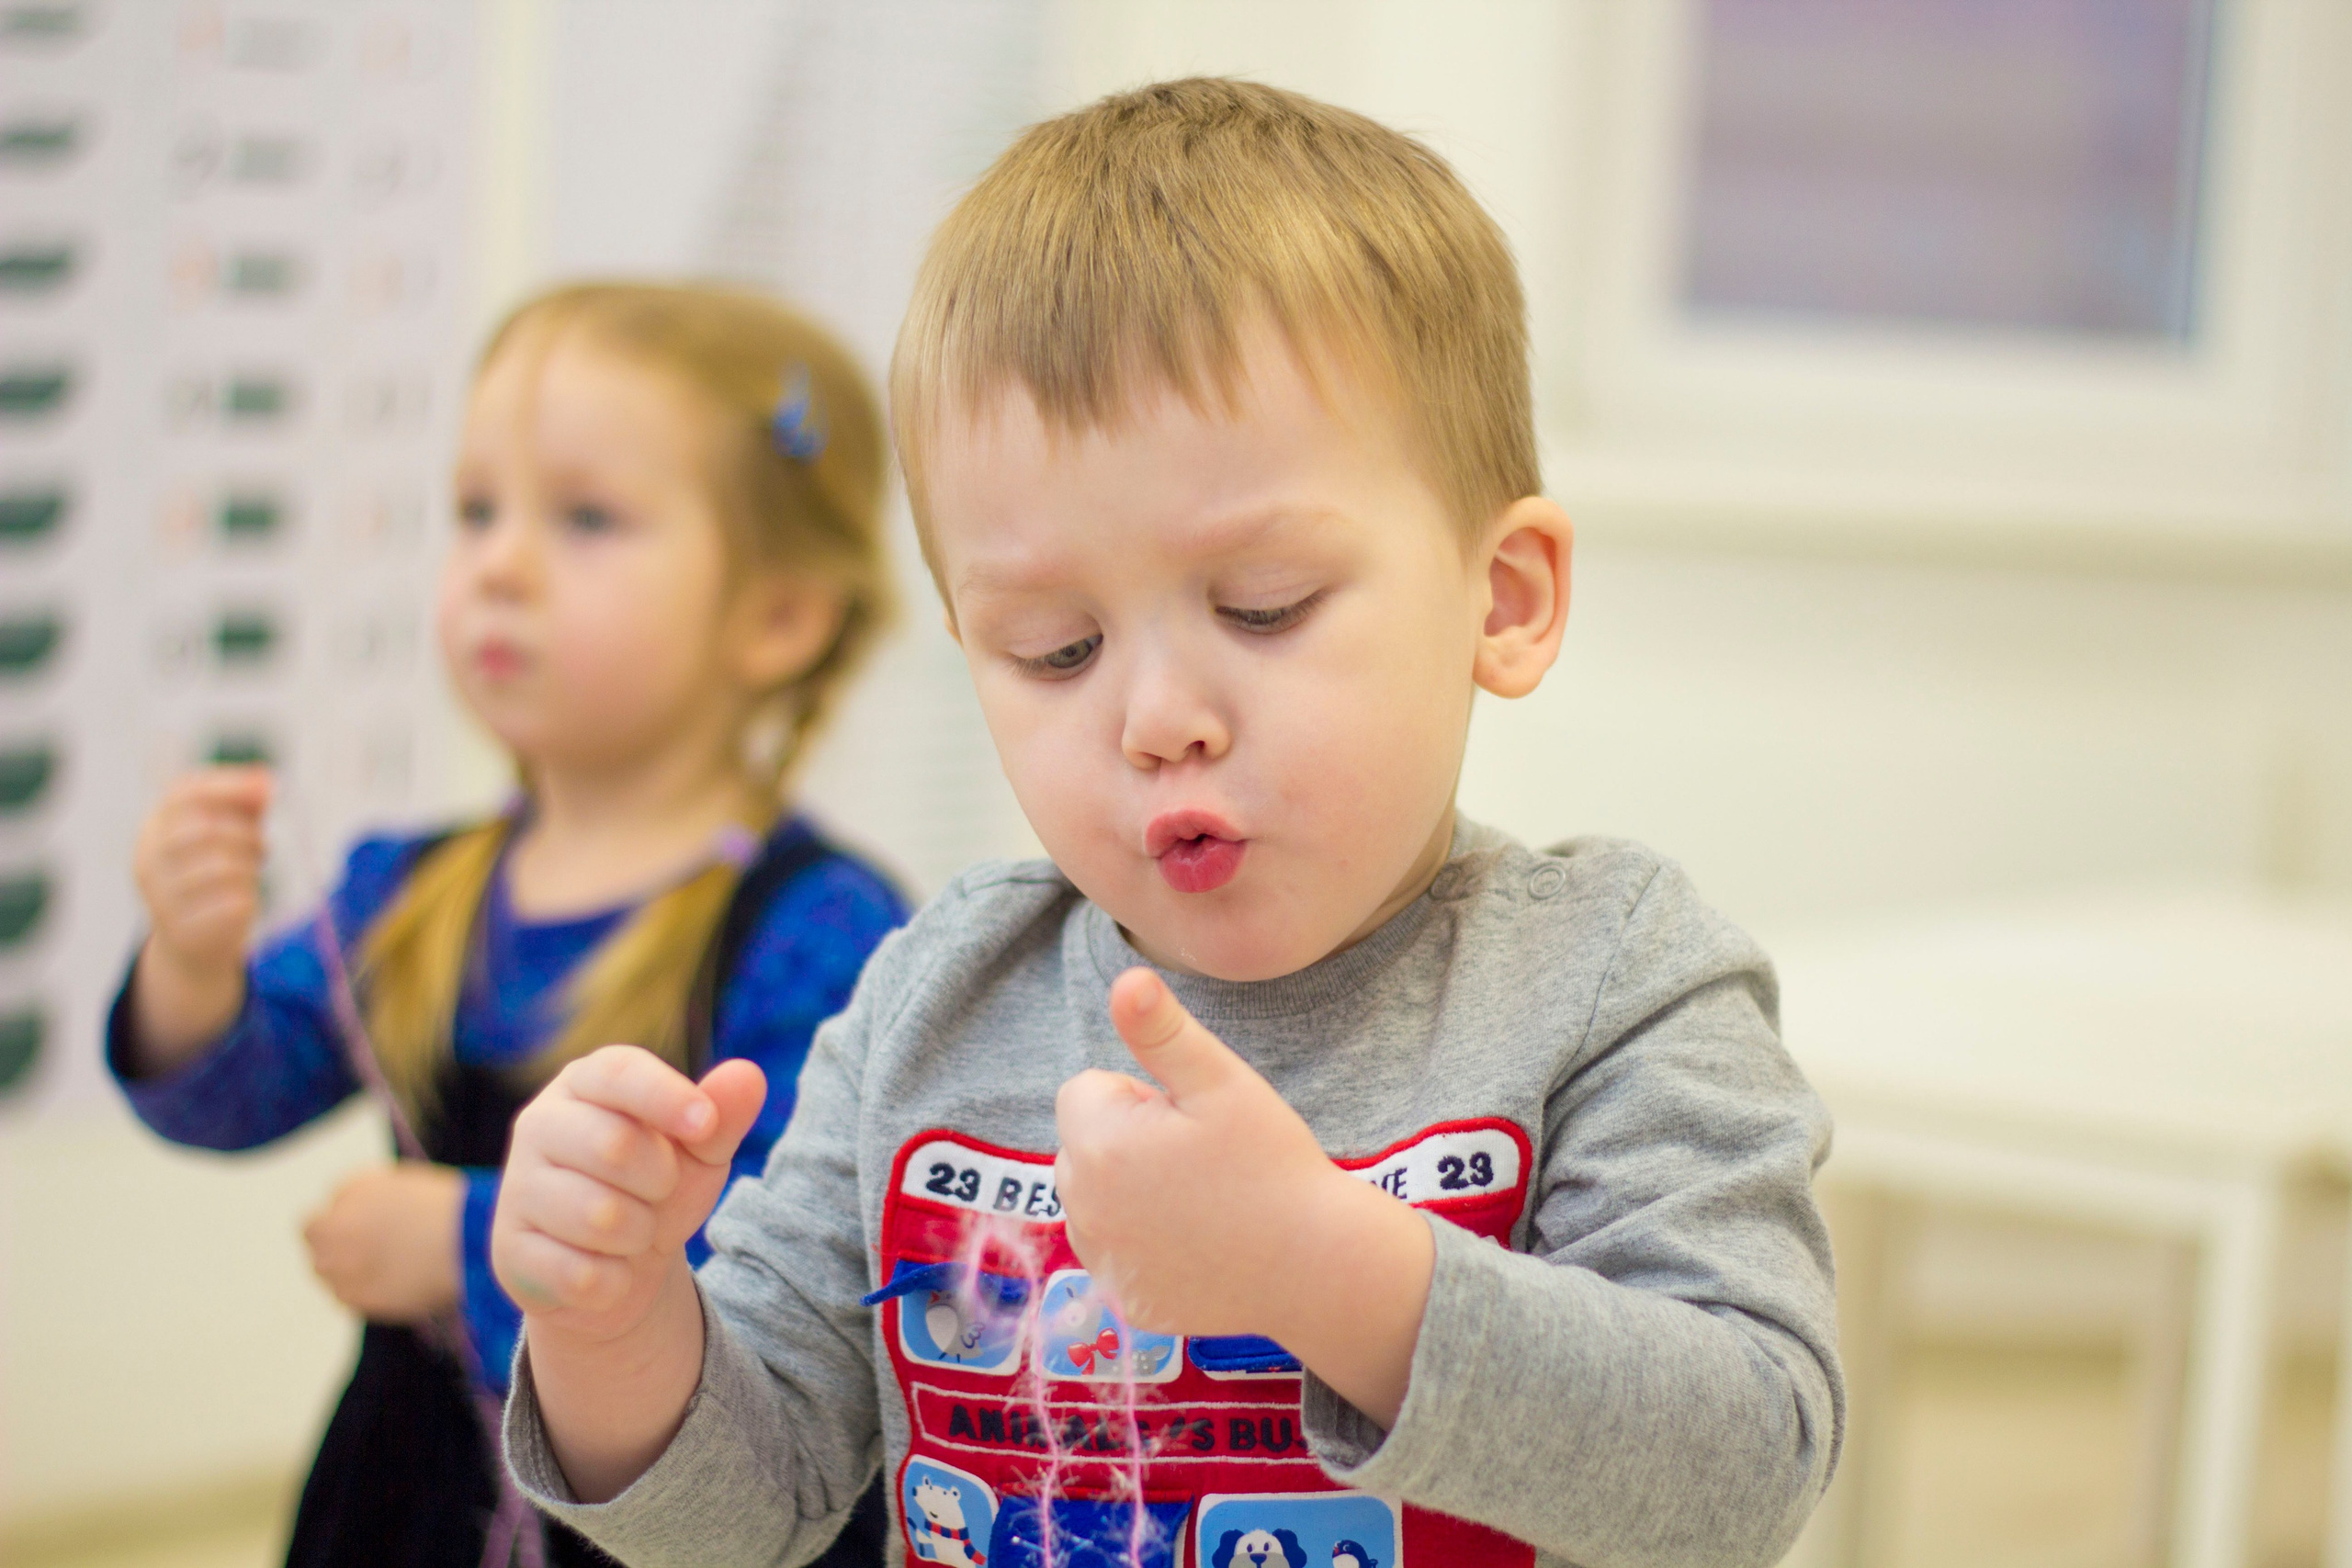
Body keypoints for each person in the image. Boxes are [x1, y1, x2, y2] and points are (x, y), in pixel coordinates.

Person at [492, 81, 1843, 1568]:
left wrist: (1321, 1266)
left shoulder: (1608, 980)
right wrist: (613, 1319)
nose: (1153, 718)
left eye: (1262, 609)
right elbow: (740, 1515)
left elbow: (1748, 1466)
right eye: (1055, 650)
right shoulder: (940, 997)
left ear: (1502, 600)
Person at [110, 283, 908, 1568]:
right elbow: (227, 1098)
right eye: (476, 510)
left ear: (778, 616)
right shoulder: (409, 891)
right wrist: (190, 968)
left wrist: (460, 1245)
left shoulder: (821, 929)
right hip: (405, 1501)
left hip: (677, 1515)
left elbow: (799, 1282)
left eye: (586, 518)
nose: (499, 564)